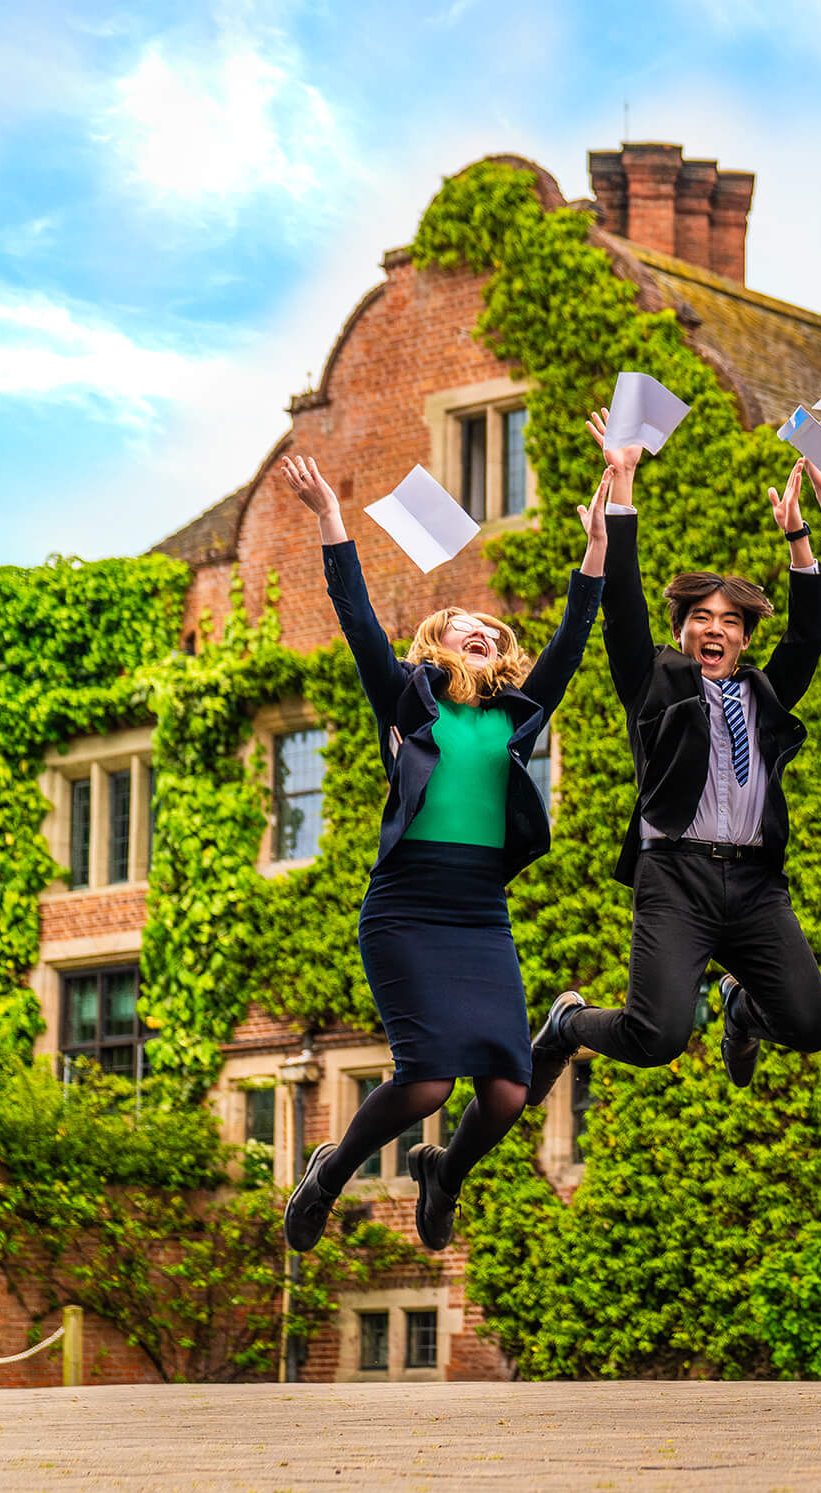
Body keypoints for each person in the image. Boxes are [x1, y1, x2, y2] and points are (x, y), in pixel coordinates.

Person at [277, 445, 605, 1254]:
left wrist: (599, 546)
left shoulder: (518, 717)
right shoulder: (405, 698)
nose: (487, 631)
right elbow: (356, 617)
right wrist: (329, 517)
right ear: (437, 647)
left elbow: (570, 638)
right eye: (468, 627)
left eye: (493, 630)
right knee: (424, 1081)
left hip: (479, 913)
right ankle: (328, 1173)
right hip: (407, 909)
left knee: (506, 1091)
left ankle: (443, 1177)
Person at [524, 415, 821, 1105]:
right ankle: (568, 1022)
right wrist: (626, 483)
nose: (716, 629)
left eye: (730, 620)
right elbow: (624, 609)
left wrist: (797, 538)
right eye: (702, 618)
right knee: (657, 1037)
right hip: (676, 877)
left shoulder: (763, 692)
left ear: (744, 637)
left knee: (809, 1024)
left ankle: (740, 1009)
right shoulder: (653, 683)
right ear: (681, 631)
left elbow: (810, 634)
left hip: (755, 883)